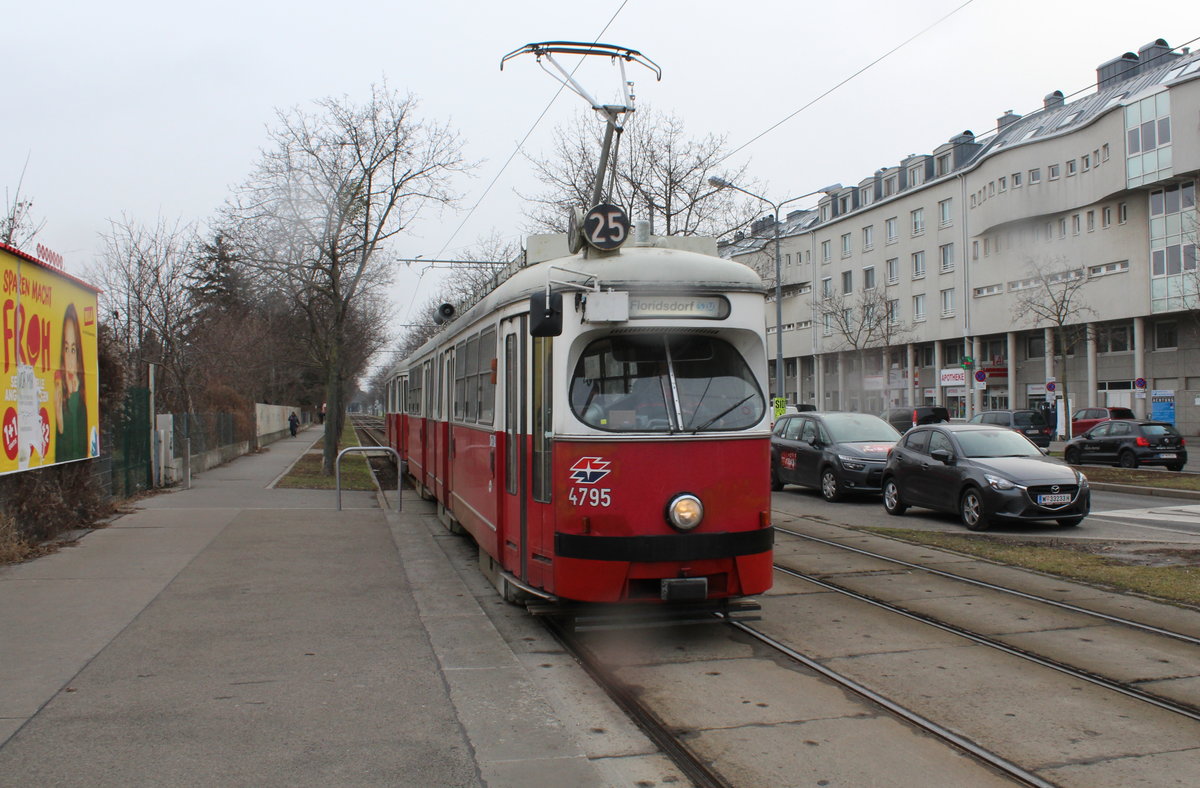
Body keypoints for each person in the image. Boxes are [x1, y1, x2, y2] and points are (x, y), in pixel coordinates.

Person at [54, 303, 88, 461]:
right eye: (66, 349)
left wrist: (74, 396)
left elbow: (79, 450)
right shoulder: (58, 397)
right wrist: (59, 418)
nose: (69, 359)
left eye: (73, 350)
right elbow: (60, 452)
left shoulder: (81, 403)